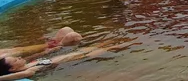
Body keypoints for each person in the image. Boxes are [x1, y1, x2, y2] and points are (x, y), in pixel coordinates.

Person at [0, 40, 130, 80]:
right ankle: (132, 45)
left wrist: (50, 51)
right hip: (74, 59)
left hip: (69, 54)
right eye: (16, 60)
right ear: (13, 69)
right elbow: (26, 74)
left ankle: (124, 42)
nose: (19, 58)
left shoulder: (28, 63)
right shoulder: (30, 69)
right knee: (112, 47)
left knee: (105, 43)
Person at [0, 27, 82, 60]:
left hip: (47, 47)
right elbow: (25, 60)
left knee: (66, 30)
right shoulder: (6, 60)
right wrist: (46, 52)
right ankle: (62, 44)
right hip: (52, 49)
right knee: (73, 36)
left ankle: (60, 43)